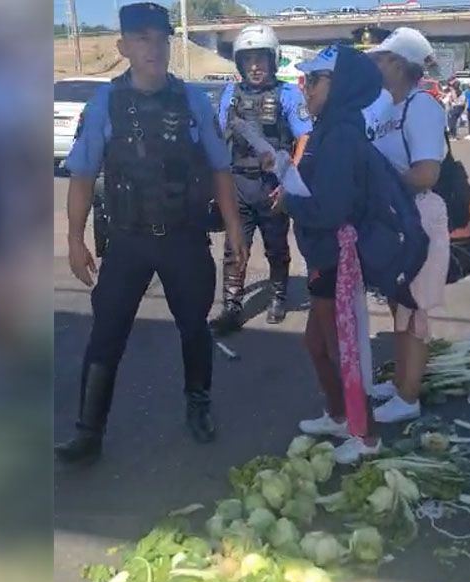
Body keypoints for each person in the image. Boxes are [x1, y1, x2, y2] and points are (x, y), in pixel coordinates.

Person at [55, 2, 247, 463]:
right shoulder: (105, 103)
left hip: (184, 238)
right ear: (123, 47)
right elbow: (82, 174)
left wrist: (236, 229)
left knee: (194, 330)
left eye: (160, 38)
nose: (153, 47)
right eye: (141, 38)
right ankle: (89, 432)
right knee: (106, 334)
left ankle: (198, 406)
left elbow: (221, 169)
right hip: (127, 240)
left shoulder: (193, 101)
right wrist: (75, 237)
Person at [284, 44, 386, 464]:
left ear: (338, 85)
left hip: (335, 257)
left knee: (342, 348)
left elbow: (330, 208)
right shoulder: (330, 127)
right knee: (317, 344)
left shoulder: (341, 133)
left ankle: (366, 435)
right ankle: (341, 414)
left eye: (315, 80)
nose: (305, 88)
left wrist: (290, 200)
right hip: (321, 256)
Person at [366, 26, 452, 424]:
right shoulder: (389, 108)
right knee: (398, 304)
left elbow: (427, 173)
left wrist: (379, 179)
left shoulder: (421, 106)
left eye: (380, 59)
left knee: (414, 311)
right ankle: (401, 380)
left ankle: (409, 396)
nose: (375, 64)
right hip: (395, 218)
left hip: (417, 216)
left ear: (399, 66)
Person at [210, 24, 312, 334]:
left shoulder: (289, 94)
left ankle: (278, 297)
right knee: (234, 248)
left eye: (261, 59)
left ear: (273, 60)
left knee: (276, 246)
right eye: (248, 60)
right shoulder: (230, 93)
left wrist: (288, 179)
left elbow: (305, 136)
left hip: (272, 186)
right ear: (240, 64)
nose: (255, 66)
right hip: (238, 182)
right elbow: (218, 136)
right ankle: (231, 307)